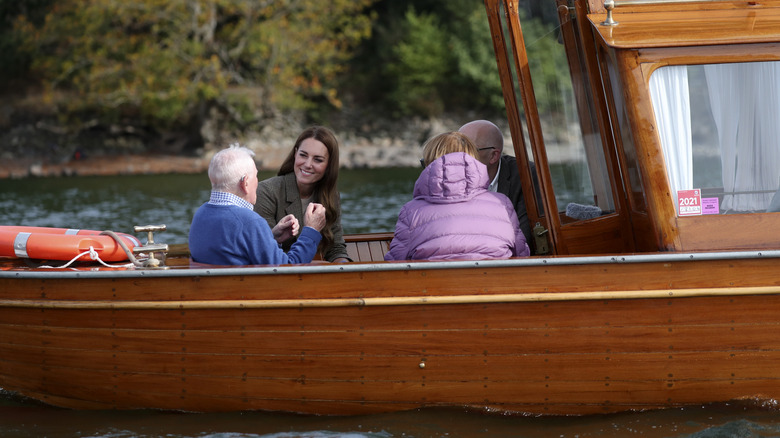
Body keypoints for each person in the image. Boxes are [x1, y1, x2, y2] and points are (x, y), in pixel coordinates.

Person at [384, 132, 530, 261]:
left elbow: (396, 262)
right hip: (495, 286)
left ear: (430, 166)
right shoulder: (501, 202)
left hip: (435, 288)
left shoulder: (411, 211)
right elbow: (521, 254)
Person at [189, 144, 326, 265]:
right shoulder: (250, 221)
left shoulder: (200, 215)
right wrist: (311, 230)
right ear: (245, 183)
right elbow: (287, 270)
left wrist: (271, 237)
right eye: (256, 176)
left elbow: (232, 252)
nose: (258, 182)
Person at [255, 126, 351, 263]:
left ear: (329, 165)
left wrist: (346, 271)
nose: (307, 164)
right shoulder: (267, 191)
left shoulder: (331, 196)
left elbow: (335, 248)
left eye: (318, 159)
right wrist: (311, 229)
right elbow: (266, 252)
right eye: (303, 155)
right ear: (295, 153)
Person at [458, 120, 537, 253]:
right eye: (455, 149)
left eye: (467, 150)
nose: (458, 157)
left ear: (494, 156)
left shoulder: (525, 174)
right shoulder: (448, 176)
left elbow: (527, 234)